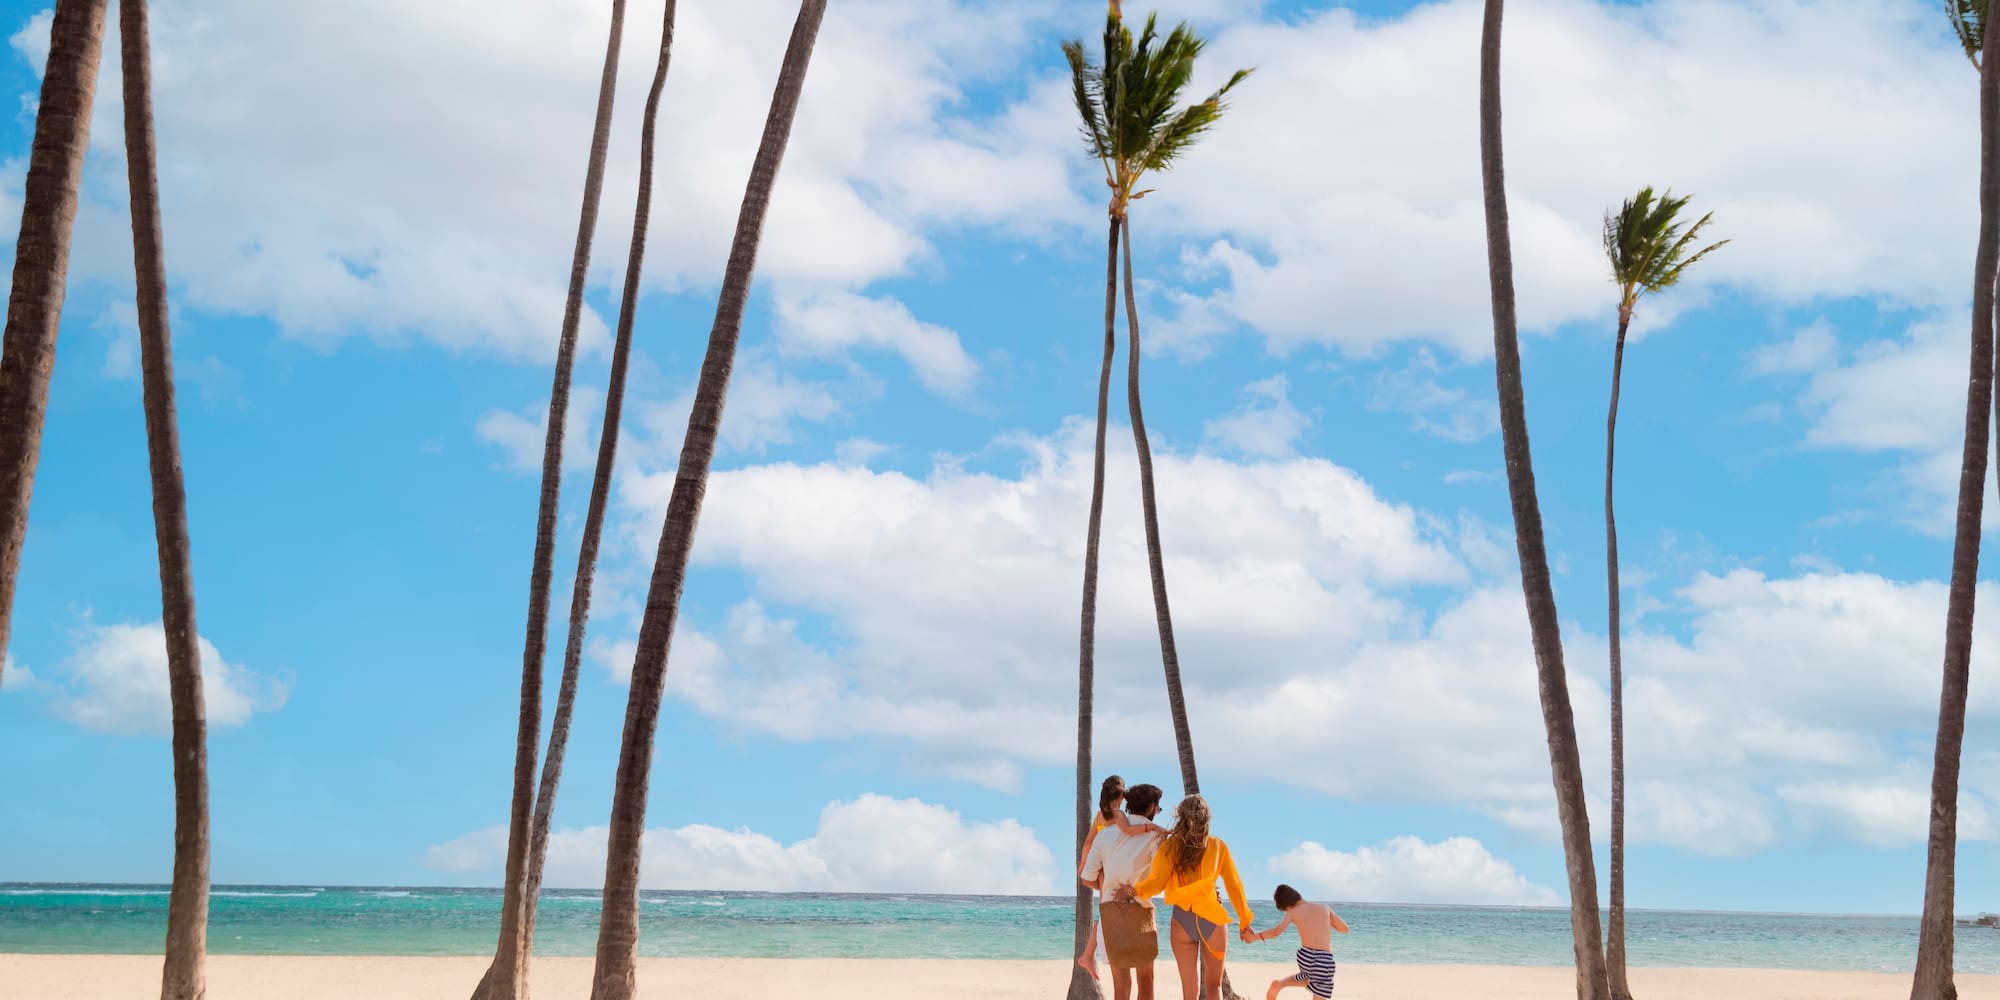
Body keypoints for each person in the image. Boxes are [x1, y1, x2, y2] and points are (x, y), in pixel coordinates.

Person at [1116, 795, 1252, 1000]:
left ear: (1180, 816)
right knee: (1214, 987)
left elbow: (1157, 882)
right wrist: (1244, 920)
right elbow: (1234, 885)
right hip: (1212, 917)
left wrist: (1131, 890)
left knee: (1189, 991)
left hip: (1182, 918)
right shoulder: (1217, 846)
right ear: (1207, 818)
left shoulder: (1171, 847)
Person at [1080, 783, 1168, 1000]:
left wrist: (1108, 887)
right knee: (1146, 982)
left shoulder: (1105, 834)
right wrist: (1132, 891)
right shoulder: (1157, 836)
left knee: (1121, 985)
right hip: (1142, 912)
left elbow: (1086, 878)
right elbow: (1160, 880)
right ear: (1152, 807)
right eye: (1158, 808)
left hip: (1111, 914)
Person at [1244, 884, 1349, 1000]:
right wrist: (1327, 920)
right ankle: (1281, 984)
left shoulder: (1293, 911)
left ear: (1287, 905)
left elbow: (1275, 932)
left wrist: (1252, 938)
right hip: (1324, 960)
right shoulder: (1325, 908)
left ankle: (1281, 984)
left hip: (1305, 956)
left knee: (1308, 978)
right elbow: (1345, 929)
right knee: (1318, 986)